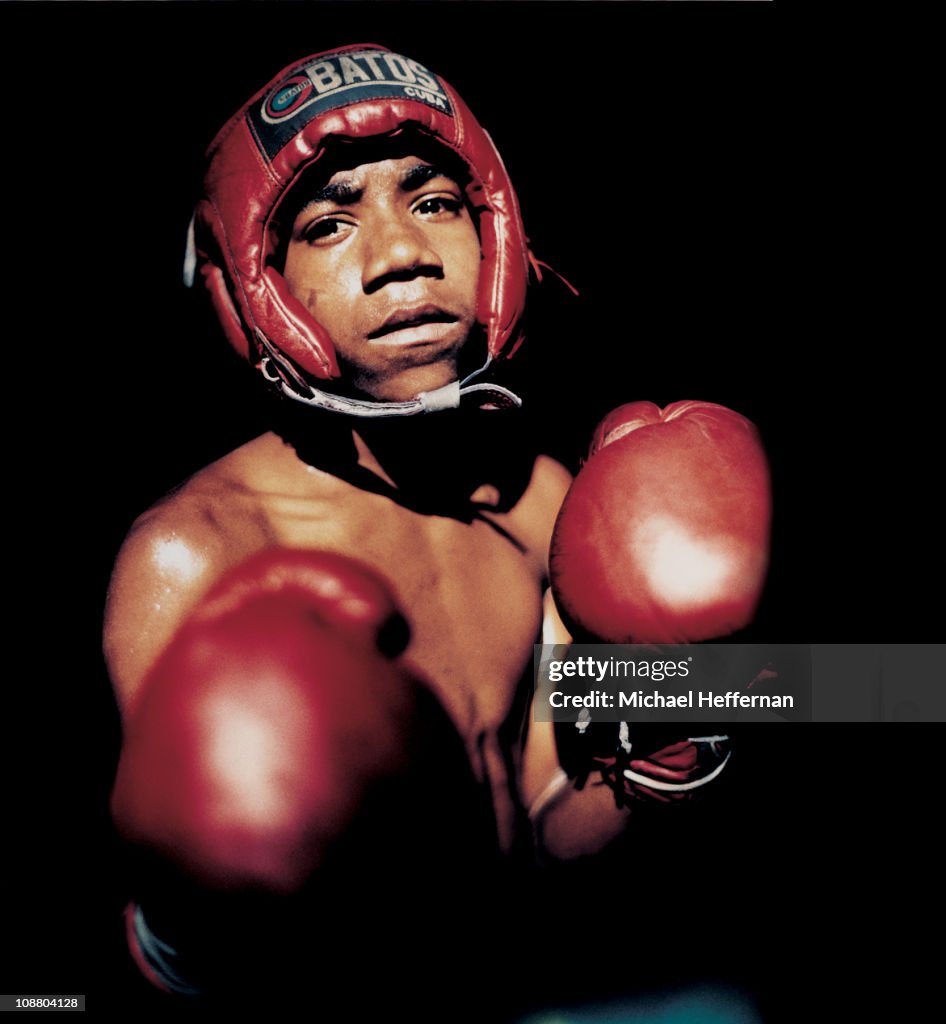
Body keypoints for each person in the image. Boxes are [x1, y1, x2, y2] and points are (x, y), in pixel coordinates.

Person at [105, 43, 771, 1017]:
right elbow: (214, 932)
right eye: (330, 224)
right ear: (257, 290)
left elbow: (539, 840)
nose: (404, 255)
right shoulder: (199, 557)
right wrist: (188, 925)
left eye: (432, 202)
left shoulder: (542, 500)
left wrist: (690, 719)